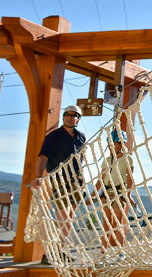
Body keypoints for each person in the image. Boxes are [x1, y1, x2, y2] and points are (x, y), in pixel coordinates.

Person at [32, 105, 87, 264]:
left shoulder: (81, 138)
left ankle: (58, 252)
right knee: (63, 218)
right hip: (59, 181)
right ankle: (50, 254)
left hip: (76, 182)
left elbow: (81, 158)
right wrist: (38, 177)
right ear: (64, 117)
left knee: (68, 219)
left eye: (74, 115)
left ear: (78, 118)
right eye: (67, 115)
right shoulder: (53, 137)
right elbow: (43, 158)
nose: (70, 117)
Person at [94, 128, 134, 256]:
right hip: (106, 194)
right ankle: (103, 253)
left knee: (117, 224)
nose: (111, 146)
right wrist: (93, 195)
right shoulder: (107, 161)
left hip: (119, 194)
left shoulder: (128, 159)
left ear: (121, 144)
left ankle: (120, 253)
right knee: (106, 225)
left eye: (113, 143)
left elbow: (130, 179)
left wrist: (128, 195)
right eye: (109, 144)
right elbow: (101, 179)